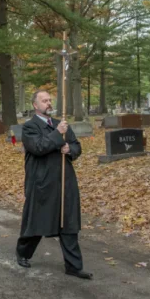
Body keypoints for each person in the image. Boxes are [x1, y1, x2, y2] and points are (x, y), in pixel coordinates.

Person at [15, 90, 92, 280]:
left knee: (68, 222)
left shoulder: (61, 124)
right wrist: (58, 135)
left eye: (50, 100)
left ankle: (73, 266)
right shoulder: (29, 127)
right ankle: (23, 253)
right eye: (44, 100)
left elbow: (77, 146)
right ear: (35, 105)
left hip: (65, 181)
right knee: (38, 221)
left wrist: (69, 149)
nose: (49, 103)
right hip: (41, 182)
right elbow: (38, 147)